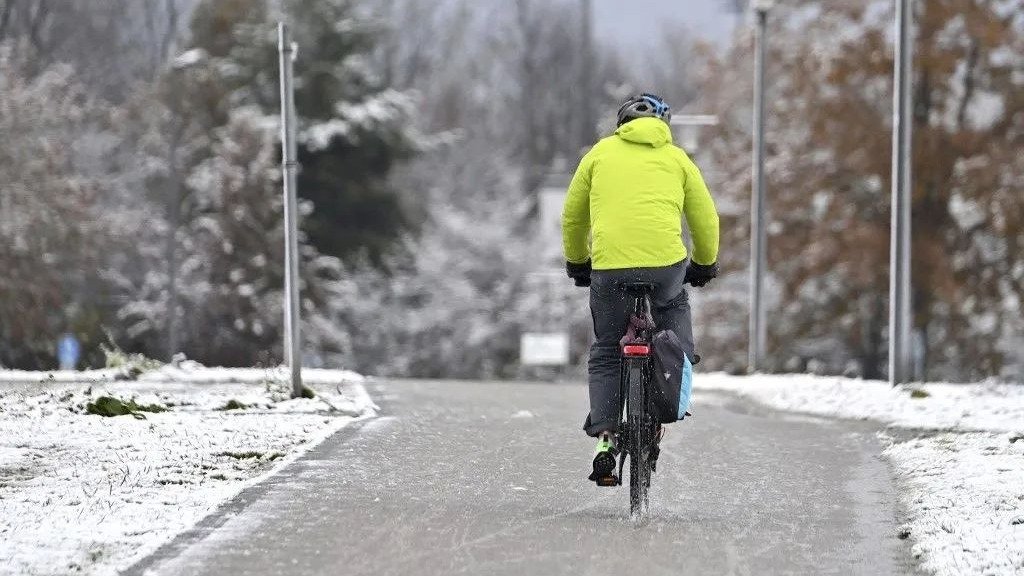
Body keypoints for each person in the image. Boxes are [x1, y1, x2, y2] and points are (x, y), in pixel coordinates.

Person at [560, 93, 720, 484]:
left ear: (622, 124)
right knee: (672, 313)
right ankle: (675, 364)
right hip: (666, 265)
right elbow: (705, 220)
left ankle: (605, 438)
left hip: (610, 267)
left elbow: (572, 217)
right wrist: (704, 265)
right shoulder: (678, 158)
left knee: (606, 348)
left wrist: (579, 262)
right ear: (664, 126)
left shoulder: (598, 155)